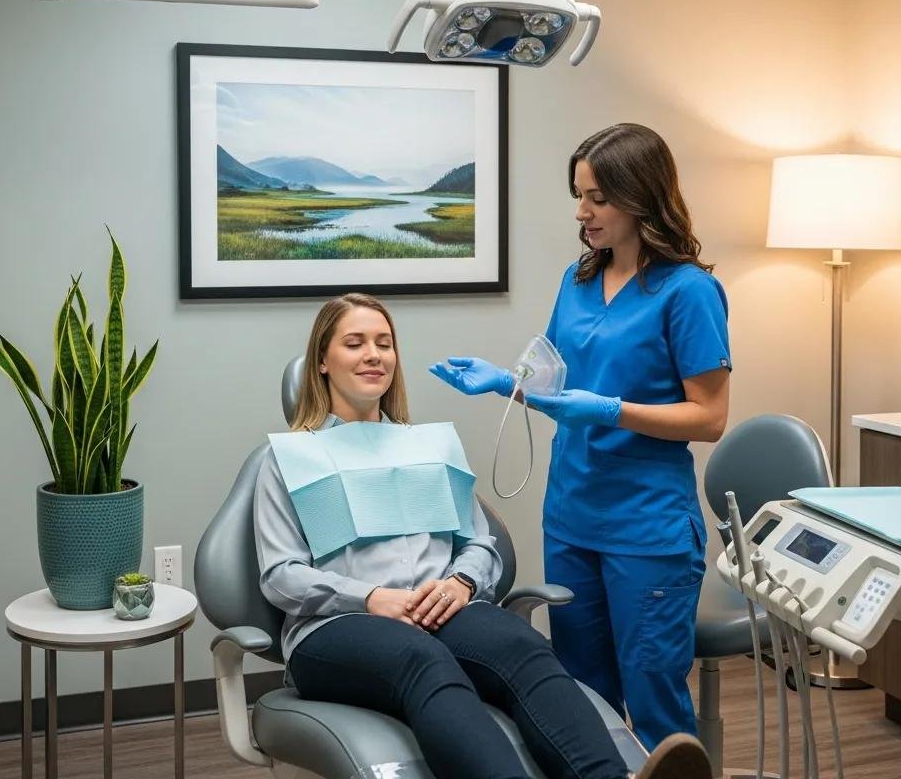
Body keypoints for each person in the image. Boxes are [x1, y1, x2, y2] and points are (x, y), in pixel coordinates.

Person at [254, 291, 713, 779]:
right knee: (423, 662)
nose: (373, 354)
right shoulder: (289, 460)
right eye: (354, 343)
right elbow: (280, 575)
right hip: (336, 627)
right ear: (322, 361)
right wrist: (371, 598)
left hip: (441, 608)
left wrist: (461, 584)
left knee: (525, 648)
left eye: (384, 343)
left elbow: (478, 543)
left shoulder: (427, 448)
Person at [431, 124, 731, 752]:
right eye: (578, 195)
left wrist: (612, 409)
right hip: (571, 515)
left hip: (646, 528)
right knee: (581, 695)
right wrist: (503, 384)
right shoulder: (578, 278)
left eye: (596, 197)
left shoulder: (688, 291)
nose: (582, 212)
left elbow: (709, 417)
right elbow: (554, 384)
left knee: (653, 702)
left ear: (639, 195)